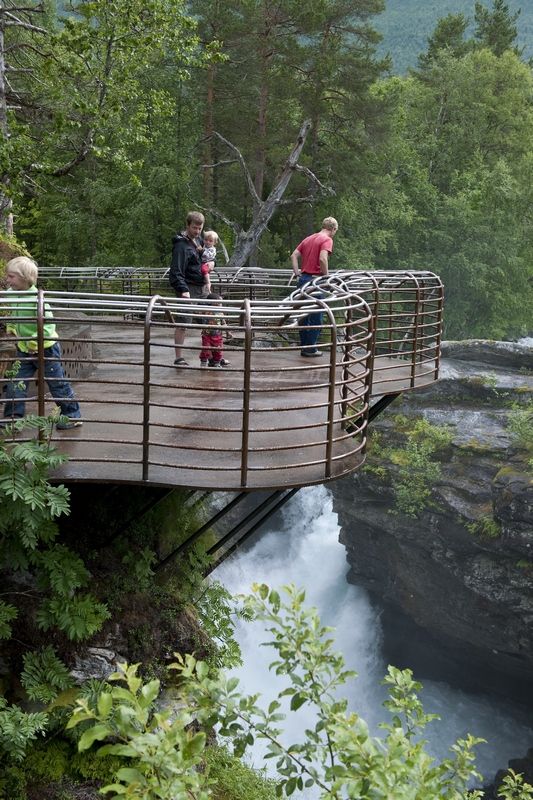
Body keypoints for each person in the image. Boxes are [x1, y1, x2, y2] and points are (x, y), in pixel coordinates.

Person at [1, 256, 82, 429]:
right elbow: (14, 314)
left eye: (11, 276)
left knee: (57, 383)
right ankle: (12, 417)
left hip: (46, 349)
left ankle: (72, 415)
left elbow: (48, 327)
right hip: (24, 349)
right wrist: (12, 326)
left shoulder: (38, 299)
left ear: (25, 278)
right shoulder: (12, 294)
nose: (7, 280)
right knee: (16, 383)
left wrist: (35, 343)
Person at [290, 216, 338, 357]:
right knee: (317, 315)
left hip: (303, 280)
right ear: (333, 229)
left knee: (303, 315)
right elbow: (323, 258)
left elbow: (294, 256)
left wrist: (297, 273)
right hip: (315, 281)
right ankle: (310, 348)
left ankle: (305, 346)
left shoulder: (309, 238)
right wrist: (327, 277)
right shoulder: (327, 240)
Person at [169, 210, 206, 367]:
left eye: (199, 228)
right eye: (194, 228)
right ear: (187, 225)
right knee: (184, 321)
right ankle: (179, 357)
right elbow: (176, 271)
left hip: (200, 286)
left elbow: (204, 260)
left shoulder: (199, 241)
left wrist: (211, 265)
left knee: (209, 320)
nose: (197, 231)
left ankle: (211, 354)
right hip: (187, 287)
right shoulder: (181, 246)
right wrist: (183, 290)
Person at [199, 293, 231, 368]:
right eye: (219, 302)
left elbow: (223, 323)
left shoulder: (220, 312)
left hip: (218, 335)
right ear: (213, 302)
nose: (221, 304)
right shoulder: (206, 311)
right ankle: (203, 362)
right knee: (206, 349)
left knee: (218, 350)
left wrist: (228, 332)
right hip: (207, 335)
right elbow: (198, 310)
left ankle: (217, 363)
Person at [200, 230, 219, 296]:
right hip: (202, 262)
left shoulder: (212, 249)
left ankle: (208, 282)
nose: (207, 242)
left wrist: (201, 251)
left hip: (207, 263)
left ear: (214, 242)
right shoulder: (204, 246)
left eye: (210, 241)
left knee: (204, 269)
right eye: (206, 240)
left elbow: (208, 255)